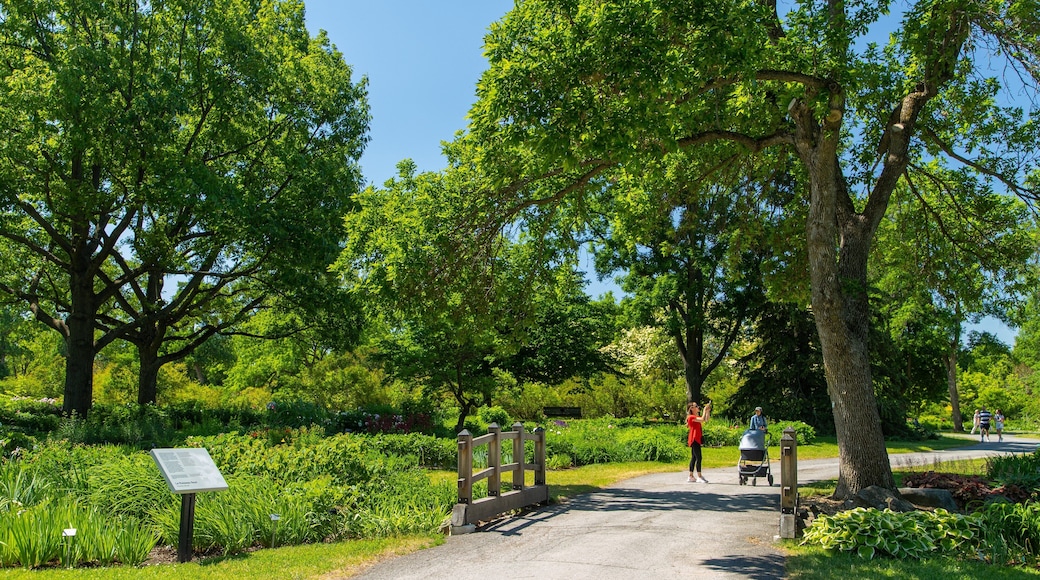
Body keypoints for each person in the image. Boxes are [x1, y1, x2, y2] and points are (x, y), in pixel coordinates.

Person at [686, 400, 712, 483]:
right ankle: (699, 476)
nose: (698, 408)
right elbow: (702, 419)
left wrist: (707, 411)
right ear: (692, 408)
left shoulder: (695, 417)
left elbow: (706, 419)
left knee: (694, 457)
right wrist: (704, 410)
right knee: (699, 457)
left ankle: (691, 476)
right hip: (694, 438)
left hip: (697, 438)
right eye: (696, 406)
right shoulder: (691, 417)